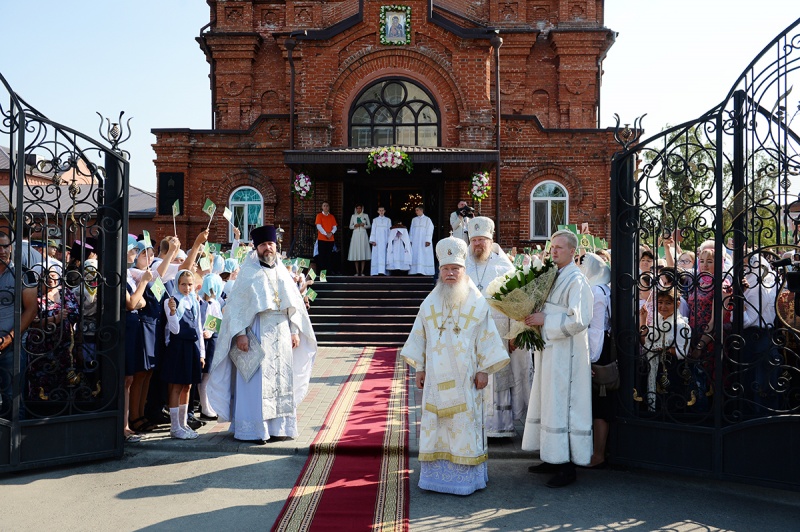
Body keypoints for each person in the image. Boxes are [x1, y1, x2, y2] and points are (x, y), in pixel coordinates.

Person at [401, 235, 509, 495]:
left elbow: (487, 339)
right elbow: (420, 337)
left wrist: (484, 370)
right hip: (436, 381)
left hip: (466, 378)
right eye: (446, 269)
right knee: (436, 426)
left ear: (463, 270)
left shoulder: (477, 303)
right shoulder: (429, 302)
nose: (450, 273)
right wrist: (420, 368)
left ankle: (466, 481)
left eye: (455, 268)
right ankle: (435, 478)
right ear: (440, 271)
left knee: (462, 426)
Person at [208, 225, 317, 444]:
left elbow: (293, 304)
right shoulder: (248, 272)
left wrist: (295, 330)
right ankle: (256, 430)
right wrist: (240, 334)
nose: (268, 248)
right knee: (256, 383)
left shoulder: (282, 272)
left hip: (282, 333)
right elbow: (236, 308)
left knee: (281, 381)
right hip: (256, 331)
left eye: (271, 244)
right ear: (256, 247)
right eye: (264, 245)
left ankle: (278, 428)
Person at [521, 229, 593, 488]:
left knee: (564, 406)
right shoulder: (554, 275)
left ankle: (567, 466)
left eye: (559, 247)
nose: (554, 251)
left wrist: (546, 320)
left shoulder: (577, 280)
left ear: (573, 251)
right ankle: (551, 456)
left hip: (567, 355)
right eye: (552, 247)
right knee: (548, 401)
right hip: (549, 351)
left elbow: (580, 319)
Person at [464, 216, 531, 437]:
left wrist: (514, 333)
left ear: (490, 241)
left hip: (499, 332)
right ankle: (472, 425)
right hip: (469, 333)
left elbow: (516, 300)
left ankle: (498, 428)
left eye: (482, 240)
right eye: (474, 240)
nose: (478, 245)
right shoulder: (463, 265)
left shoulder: (504, 266)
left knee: (497, 376)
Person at [162, 270, 205, 439]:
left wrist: (201, 352)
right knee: (177, 386)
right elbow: (174, 329)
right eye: (183, 284)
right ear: (177, 285)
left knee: (188, 385)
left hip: (192, 346)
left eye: (189, 284)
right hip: (178, 346)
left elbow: (199, 327)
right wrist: (173, 312)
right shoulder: (171, 301)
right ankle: (175, 427)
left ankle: (183, 423)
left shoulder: (194, 300)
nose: (186, 288)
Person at [0, 231, 39, 418]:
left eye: (5, 246)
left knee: (12, 400)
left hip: (12, 346)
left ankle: (12, 446)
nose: (2, 251)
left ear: (12, 248)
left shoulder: (24, 274)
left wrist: (8, 338)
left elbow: (31, 310)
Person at [579, 252, 613, 466]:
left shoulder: (596, 291)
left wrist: (590, 359)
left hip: (598, 351)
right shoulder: (603, 288)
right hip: (601, 347)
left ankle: (598, 454)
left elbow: (597, 329)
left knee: (600, 405)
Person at [409, 205, 434, 275]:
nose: (416, 212)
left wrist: (428, 240)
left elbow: (430, 230)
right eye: (415, 210)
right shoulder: (414, 220)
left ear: (421, 210)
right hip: (415, 241)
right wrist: (410, 240)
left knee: (423, 254)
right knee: (416, 254)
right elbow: (411, 230)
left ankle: (424, 271)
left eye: (417, 210)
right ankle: (415, 271)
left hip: (424, 240)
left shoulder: (427, 219)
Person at [347, 204, 371, 276]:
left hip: (363, 234)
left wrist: (364, 225)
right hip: (356, 235)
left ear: (362, 208)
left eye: (360, 208)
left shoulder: (365, 215)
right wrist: (355, 225)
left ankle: (362, 271)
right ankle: (357, 272)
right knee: (356, 253)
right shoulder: (353, 216)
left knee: (363, 252)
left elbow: (369, 225)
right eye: (357, 208)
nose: (358, 210)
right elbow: (350, 226)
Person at [314, 201, 337, 275]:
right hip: (322, 239)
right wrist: (326, 234)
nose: (326, 207)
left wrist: (331, 233)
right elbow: (319, 226)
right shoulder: (319, 216)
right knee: (322, 257)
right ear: (322, 207)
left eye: (327, 206)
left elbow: (335, 227)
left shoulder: (332, 217)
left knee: (329, 256)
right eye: (324, 206)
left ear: (329, 207)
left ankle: (329, 273)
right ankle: (322, 274)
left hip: (330, 239)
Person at [369, 206, 392, 276]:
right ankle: (376, 271)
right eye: (380, 210)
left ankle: (384, 271)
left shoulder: (388, 220)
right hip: (377, 241)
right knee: (377, 255)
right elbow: (373, 230)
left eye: (382, 210)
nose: (381, 212)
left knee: (385, 255)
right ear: (378, 211)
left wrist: (389, 241)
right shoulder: (375, 220)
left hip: (385, 241)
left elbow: (389, 231)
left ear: (384, 211)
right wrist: (373, 240)